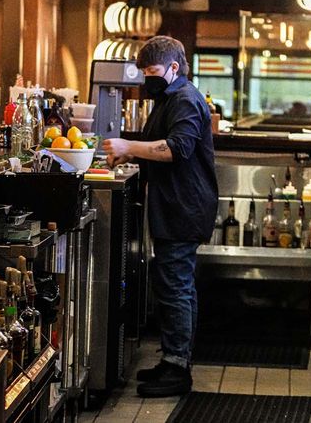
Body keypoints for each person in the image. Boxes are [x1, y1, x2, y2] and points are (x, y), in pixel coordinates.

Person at [103, 35, 219, 398]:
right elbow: (160, 145)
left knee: (174, 285)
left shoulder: (185, 99)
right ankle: (174, 361)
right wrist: (132, 155)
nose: (146, 79)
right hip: (176, 206)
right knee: (175, 284)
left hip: (184, 208)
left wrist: (127, 146)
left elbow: (177, 149)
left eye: (151, 71)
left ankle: (177, 369)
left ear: (173, 68)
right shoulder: (170, 97)